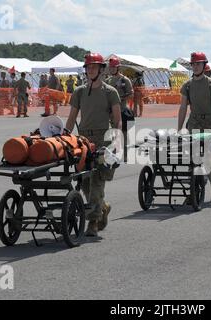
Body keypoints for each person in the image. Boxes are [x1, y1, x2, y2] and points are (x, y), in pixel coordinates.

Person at [65, 53, 122, 237]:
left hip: (102, 141)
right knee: (85, 183)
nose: (90, 70)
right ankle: (103, 208)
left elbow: (117, 120)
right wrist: (64, 138)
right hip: (82, 142)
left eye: (94, 67)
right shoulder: (79, 91)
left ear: (101, 69)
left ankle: (93, 223)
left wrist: (115, 142)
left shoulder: (110, 92)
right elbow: (72, 117)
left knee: (97, 183)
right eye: (88, 67)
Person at [178, 52, 211, 202]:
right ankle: (194, 191)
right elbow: (183, 108)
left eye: (198, 64)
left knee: (210, 158)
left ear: (204, 65)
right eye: (193, 64)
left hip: (208, 124)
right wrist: (179, 129)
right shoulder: (187, 85)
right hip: (193, 123)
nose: (195, 66)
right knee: (193, 158)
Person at [106, 57, 134, 161]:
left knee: (125, 135)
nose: (112, 69)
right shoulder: (108, 80)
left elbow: (131, 94)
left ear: (118, 68)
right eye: (111, 67)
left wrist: (120, 99)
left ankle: (127, 155)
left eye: (114, 67)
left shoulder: (124, 80)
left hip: (122, 110)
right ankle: (114, 154)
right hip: (111, 112)